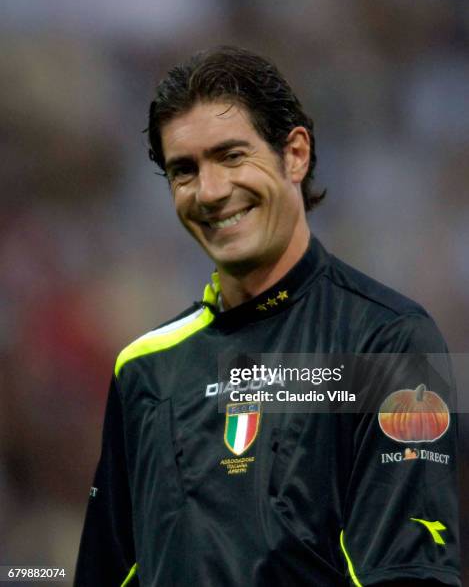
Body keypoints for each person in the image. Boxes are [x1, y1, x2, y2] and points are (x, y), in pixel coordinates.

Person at [74, 46, 460, 586]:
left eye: (231, 156)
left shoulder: (386, 343)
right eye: (184, 170)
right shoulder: (145, 369)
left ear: (295, 153)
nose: (210, 192)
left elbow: (411, 574)